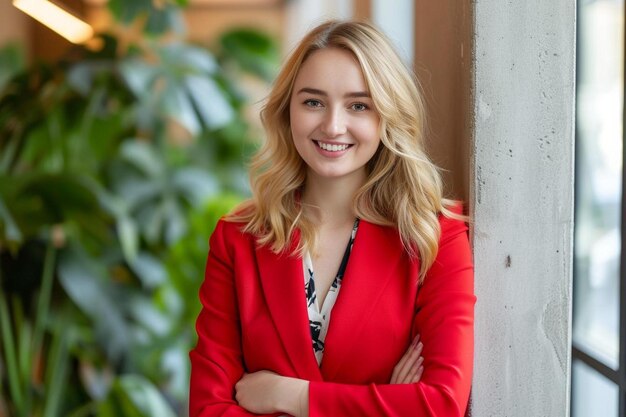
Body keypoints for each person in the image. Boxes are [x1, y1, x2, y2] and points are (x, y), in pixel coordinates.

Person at [189, 19, 475, 417]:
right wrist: (385, 404)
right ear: (287, 110)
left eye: (359, 105)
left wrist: (290, 396)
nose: (333, 125)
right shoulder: (237, 240)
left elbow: (439, 405)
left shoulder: (435, 236)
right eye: (313, 102)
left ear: (386, 116)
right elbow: (208, 409)